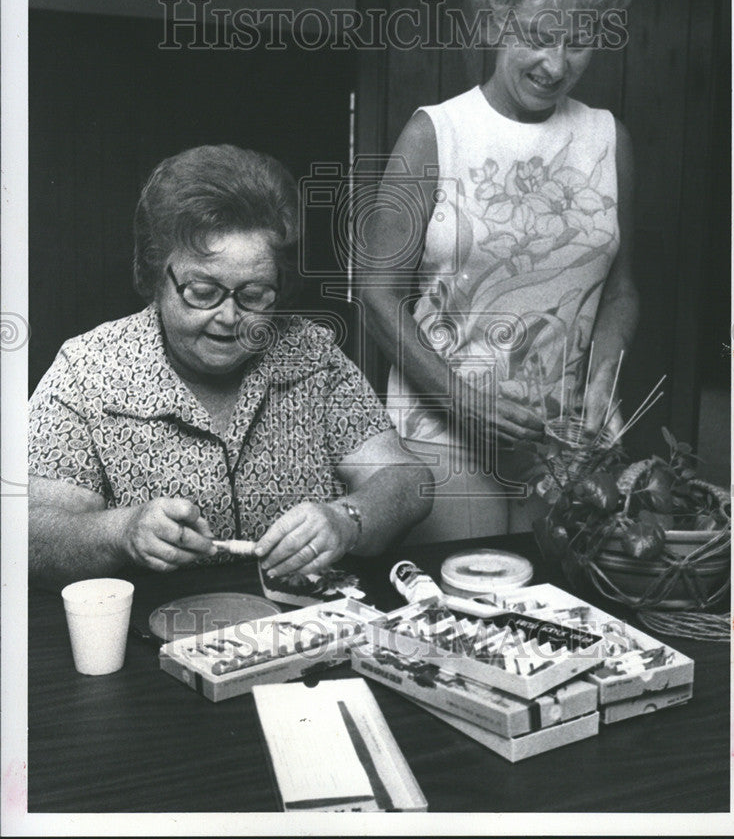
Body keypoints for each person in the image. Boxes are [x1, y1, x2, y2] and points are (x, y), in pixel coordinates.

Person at [359, 0, 639, 540]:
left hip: (564, 442)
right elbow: (376, 295)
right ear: (496, 20)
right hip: (445, 437)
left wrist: (603, 378)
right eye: (539, 36)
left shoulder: (608, 138)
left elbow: (622, 289)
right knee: (464, 621)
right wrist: (462, 399)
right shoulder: (435, 135)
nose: (557, 63)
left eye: (580, 41)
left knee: (566, 620)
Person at [29, 144, 432, 583]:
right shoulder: (87, 371)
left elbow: (410, 481)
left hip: (300, 628)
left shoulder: (310, 355)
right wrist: (120, 532)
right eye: (202, 292)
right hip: (155, 631)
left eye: (254, 295)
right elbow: (28, 532)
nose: (228, 318)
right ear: (153, 276)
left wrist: (348, 519)